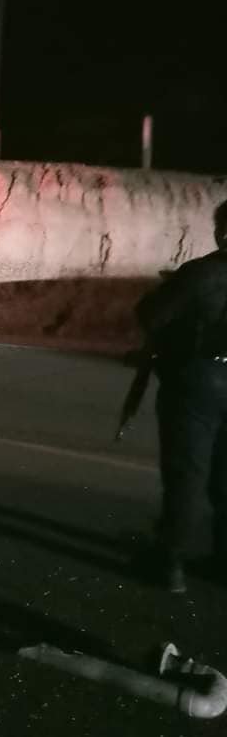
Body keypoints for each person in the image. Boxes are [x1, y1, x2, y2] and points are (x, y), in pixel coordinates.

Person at [136, 200, 227, 593]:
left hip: (199, 380)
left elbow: (151, 315)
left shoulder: (202, 273)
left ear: (222, 232)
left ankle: (170, 563)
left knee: (187, 474)